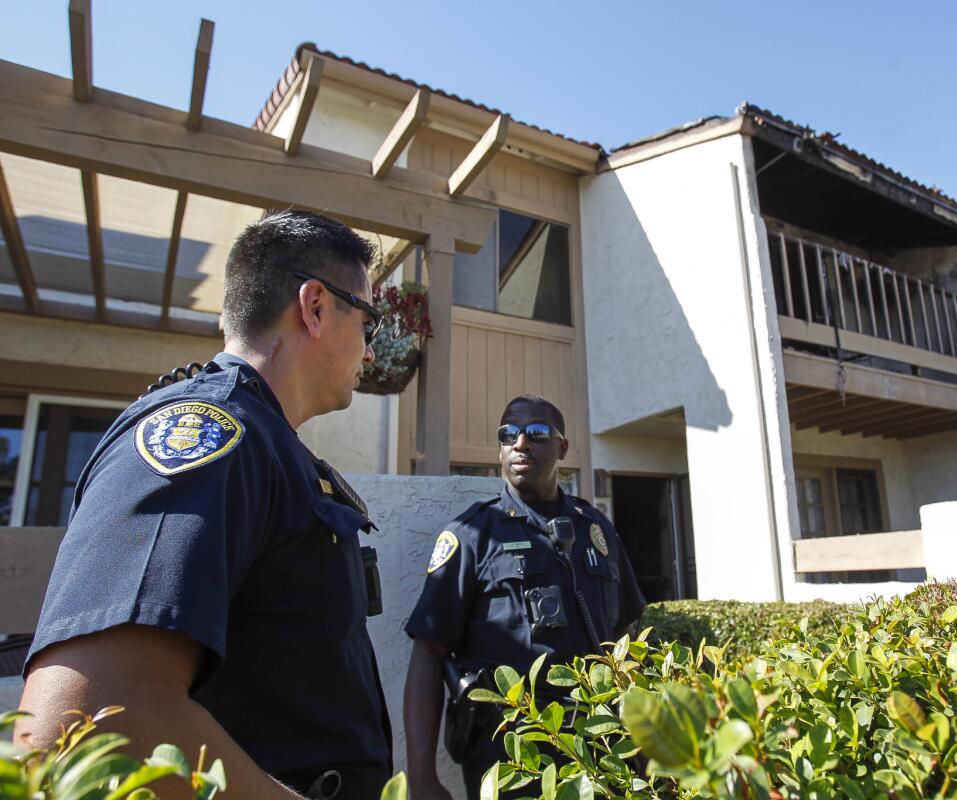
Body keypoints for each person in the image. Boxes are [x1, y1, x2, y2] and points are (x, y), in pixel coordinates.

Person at [18, 210, 393, 800]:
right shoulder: (207, 435)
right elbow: (84, 723)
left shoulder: (269, 448)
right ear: (315, 307)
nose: (370, 353)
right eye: (369, 323)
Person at [403, 395, 645, 800]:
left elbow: (628, 637)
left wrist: (645, 742)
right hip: (511, 762)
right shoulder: (472, 535)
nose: (520, 443)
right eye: (508, 434)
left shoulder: (595, 530)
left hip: (600, 749)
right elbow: (428, 655)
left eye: (535, 433)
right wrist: (422, 776)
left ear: (562, 448)